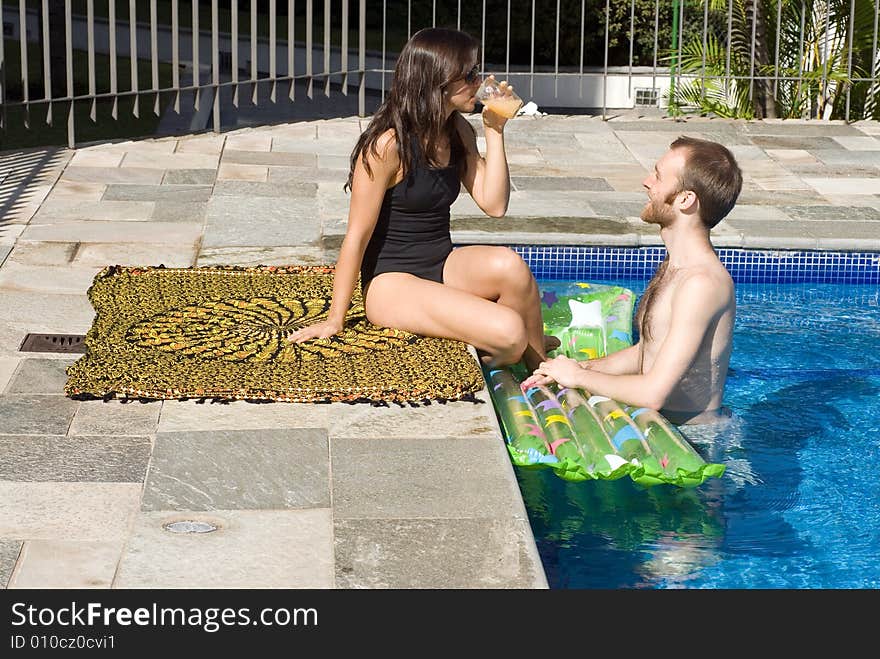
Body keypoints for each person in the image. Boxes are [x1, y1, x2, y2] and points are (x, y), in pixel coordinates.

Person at [287, 27, 548, 370]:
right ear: (438, 81)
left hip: (441, 263)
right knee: (511, 331)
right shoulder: (387, 147)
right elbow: (356, 236)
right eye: (470, 75)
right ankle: (508, 355)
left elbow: (494, 205)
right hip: (392, 284)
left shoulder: (457, 131)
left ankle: (541, 368)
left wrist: (494, 130)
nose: (479, 81)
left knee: (511, 266)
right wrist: (336, 319)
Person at [523, 136, 743, 425]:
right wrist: (577, 367)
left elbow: (654, 392)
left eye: (658, 175)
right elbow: (648, 349)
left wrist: (578, 377)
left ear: (686, 199)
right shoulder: (676, 266)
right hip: (665, 427)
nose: (646, 181)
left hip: (695, 445)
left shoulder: (701, 284)